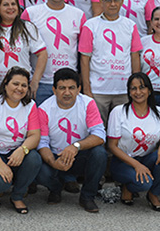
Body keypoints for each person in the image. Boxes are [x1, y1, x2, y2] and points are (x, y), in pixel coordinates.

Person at [36, 68, 108, 212]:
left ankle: (87, 196)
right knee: (37, 164)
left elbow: (100, 135)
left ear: (78, 89)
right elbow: (42, 143)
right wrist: (53, 162)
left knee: (100, 153)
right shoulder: (44, 108)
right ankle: (55, 189)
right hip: (56, 156)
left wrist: (75, 146)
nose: (67, 93)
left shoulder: (88, 103)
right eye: (62, 88)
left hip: (79, 155)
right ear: (54, 90)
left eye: (71, 88)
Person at [0, 67, 41, 214]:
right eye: (15, 84)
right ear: (5, 84)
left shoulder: (30, 105)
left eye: (24, 85)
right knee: (0, 182)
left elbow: (35, 135)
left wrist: (22, 150)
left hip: (14, 152)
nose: (20, 88)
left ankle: (17, 196)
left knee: (34, 159)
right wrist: (0, 165)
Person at [107, 72, 160, 211]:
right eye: (133, 88)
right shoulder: (119, 112)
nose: (138, 92)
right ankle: (127, 186)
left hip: (146, 159)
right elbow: (112, 146)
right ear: (129, 92)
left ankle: (154, 194)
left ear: (149, 90)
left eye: (142, 87)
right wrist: (136, 165)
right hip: (123, 162)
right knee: (143, 184)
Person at [80, 0, 143, 123]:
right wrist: (87, 90)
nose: (112, 4)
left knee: (122, 129)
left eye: (116, 0)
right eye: (108, 0)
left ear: (122, 2)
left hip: (123, 89)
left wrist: (136, 86)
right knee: (98, 129)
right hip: (98, 91)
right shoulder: (90, 26)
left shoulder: (130, 25)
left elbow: (134, 56)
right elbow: (85, 59)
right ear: (101, 2)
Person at [22, 0, 84, 106]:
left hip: (68, 83)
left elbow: (82, 52)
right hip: (39, 82)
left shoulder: (79, 15)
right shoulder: (30, 13)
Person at [0, 0, 47, 91]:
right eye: (6, 5)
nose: (11, 7)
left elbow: (43, 54)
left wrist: (35, 82)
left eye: (13, 4)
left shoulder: (28, 27)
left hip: (22, 87)